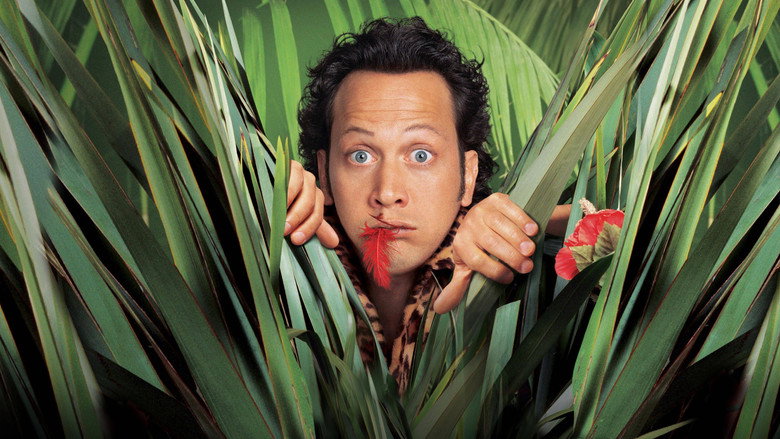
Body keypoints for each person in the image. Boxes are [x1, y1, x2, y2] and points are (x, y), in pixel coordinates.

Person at [283, 17, 570, 393]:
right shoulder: (284, 274)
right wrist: (254, 198)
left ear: (467, 176)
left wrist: (531, 221)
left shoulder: (519, 278)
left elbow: (632, 233)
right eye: (360, 155)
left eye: (420, 155)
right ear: (324, 173)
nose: (387, 192)